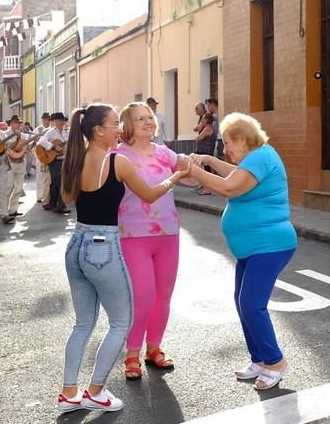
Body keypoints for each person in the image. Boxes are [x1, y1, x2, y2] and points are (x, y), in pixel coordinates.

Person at [56, 104, 190, 413]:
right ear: (99, 130)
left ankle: (68, 393)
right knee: (120, 322)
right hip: (104, 245)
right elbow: (151, 194)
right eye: (115, 124)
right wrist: (177, 176)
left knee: (82, 325)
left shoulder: (75, 159)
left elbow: (65, 198)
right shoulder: (118, 161)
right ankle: (96, 391)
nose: (120, 129)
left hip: (76, 243)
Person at [188, 112, 297, 390]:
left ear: (243, 140)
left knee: (251, 304)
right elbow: (233, 175)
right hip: (254, 247)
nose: (225, 149)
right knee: (242, 301)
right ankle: (259, 359)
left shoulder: (261, 157)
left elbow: (230, 187)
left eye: (227, 143)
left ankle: (275, 361)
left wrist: (193, 170)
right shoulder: (255, 157)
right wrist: (210, 162)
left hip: (270, 244)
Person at [113, 102, 183, 380]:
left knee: (163, 296)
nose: (147, 122)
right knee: (142, 297)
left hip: (168, 233)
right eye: (140, 119)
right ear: (128, 125)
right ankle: (132, 353)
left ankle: (154, 348)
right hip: (133, 235)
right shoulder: (117, 155)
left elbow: (189, 173)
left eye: (149, 117)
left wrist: (226, 177)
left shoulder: (165, 153)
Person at [40, 112, 70, 214]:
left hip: (64, 160)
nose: (62, 122)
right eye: (59, 120)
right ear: (55, 122)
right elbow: (41, 142)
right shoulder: (51, 132)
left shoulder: (67, 133)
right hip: (54, 160)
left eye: (63, 120)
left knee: (62, 182)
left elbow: (69, 145)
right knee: (55, 182)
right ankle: (54, 203)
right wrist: (53, 147)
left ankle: (60, 205)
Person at [5, 115, 27, 216]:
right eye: (16, 122)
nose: (18, 125)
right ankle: (4, 210)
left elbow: (25, 147)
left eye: (19, 123)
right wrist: (18, 139)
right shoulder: (5, 134)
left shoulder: (23, 135)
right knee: (9, 187)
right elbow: (9, 147)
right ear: (11, 123)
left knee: (18, 188)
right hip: (9, 163)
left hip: (21, 162)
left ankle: (13, 210)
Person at [194, 113, 217, 196]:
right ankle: (207, 188)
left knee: (206, 172)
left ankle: (207, 189)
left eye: (203, 119)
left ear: (207, 120)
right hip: (207, 152)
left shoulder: (208, 128)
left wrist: (200, 129)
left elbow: (199, 138)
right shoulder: (209, 127)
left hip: (206, 152)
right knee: (207, 171)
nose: (201, 121)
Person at [35, 113, 52, 204]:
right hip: (40, 155)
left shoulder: (52, 129)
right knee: (40, 175)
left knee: (48, 176)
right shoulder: (38, 129)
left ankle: (47, 195)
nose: (46, 121)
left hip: (50, 155)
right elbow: (33, 142)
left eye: (48, 119)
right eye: (45, 119)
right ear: (42, 120)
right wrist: (37, 139)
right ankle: (39, 196)